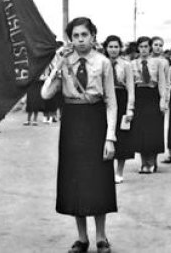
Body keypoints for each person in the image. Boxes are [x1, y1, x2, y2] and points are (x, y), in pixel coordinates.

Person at [41, 17, 117, 253]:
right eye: (75, 36)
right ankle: (82, 238)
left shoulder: (103, 62)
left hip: (95, 122)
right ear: (70, 39)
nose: (80, 40)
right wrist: (59, 64)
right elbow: (45, 94)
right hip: (72, 123)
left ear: (93, 36)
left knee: (98, 181)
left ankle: (102, 237)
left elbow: (111, 103)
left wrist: (110, 137)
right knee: (75, 181)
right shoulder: (64, 62)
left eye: (85, 35)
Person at [129, 36, 168, 174]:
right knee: (140, 131)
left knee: (153, 130)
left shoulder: (158, 62)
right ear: (138, 48)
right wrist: (131, 104)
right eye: (141, 47)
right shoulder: (132, 64)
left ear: (150, 47)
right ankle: (143, 162)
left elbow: (162, 83)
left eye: (146, 46)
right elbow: (131, 85)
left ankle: (152, 162)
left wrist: (163, 101)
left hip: (153, 95)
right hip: (139, 96)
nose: (144, 49)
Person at [102, 35, 135, 183]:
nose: (113, 50)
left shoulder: (126, 65)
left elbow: (130, 88)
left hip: (121, 98)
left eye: (116, 47)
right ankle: (105, 170)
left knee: (122, 137)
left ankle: (119, 172)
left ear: (120, 48)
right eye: (110, 47)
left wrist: (130, 109)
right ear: (106, 48)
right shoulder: (101, 62)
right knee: (104, 135)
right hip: (105, 100)